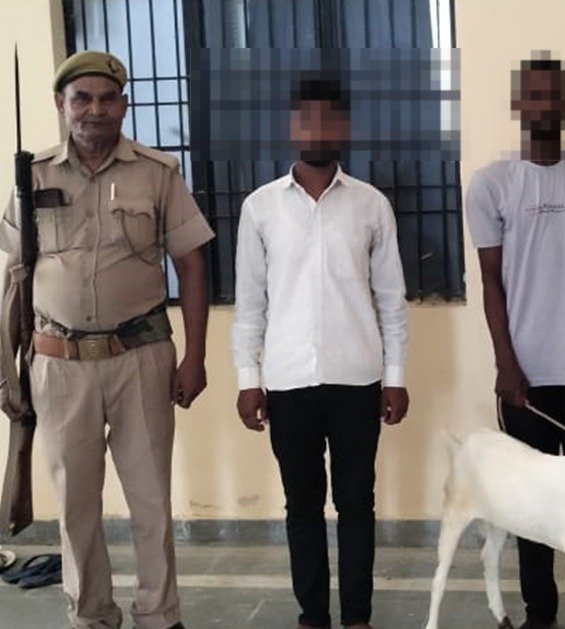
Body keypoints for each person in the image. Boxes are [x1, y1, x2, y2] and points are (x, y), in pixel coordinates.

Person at [0, 50, 214, 628]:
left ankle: (159, 614)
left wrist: (195, 356)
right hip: (58, 363)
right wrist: (9, 367)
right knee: (75, 506)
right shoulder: (32, 176)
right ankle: (90, 614)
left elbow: (191, 264)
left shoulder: (157, 173)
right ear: (61, 104)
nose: (94, 110)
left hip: (140, 356)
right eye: (82, 99)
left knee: (151, 500)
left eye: (106, 98)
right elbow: (14, 275)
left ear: (124, 104)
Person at [231, 75, 409, 629]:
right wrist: (247, 378)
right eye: (306, 118)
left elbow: (391, 299)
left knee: (357, 504)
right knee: (301, 506)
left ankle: (357, 617)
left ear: (343, 127)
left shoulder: (371, 205)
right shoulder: (260, 208)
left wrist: (396, 375)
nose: (317, 128)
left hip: (358, 379)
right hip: (287, 383)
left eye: (328, 118)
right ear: (291, 127)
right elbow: (250, 304)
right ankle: (313, 614)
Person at [466, 55, 565, 629]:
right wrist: (506, 364)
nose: (544, 105)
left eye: (553, 95)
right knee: (533, 510)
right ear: (519, 105)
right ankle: (542, 614)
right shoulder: (492, 183)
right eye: (533, 95)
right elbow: (490, 282)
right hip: (527, 380)